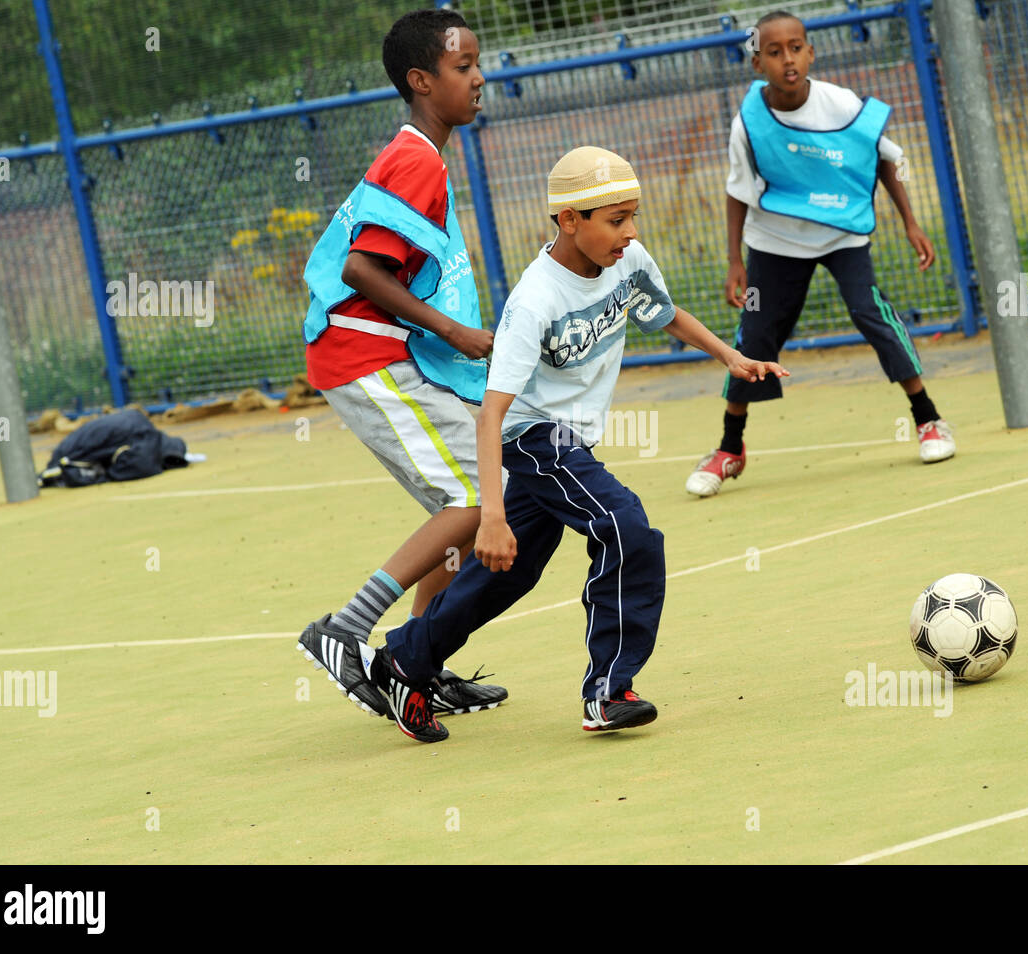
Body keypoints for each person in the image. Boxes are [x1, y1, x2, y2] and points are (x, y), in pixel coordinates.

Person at [369, 146, 788, 743]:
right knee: (626, 527)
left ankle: (404, 662)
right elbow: (492, 416)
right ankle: (608, 691)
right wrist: (490, 515)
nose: (630, 231)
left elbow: (664, 313)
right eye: (615, 220)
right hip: (536, 439)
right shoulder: (536, 299)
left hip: (572, 443)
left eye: (632, 216)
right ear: (570, 221)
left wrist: (731, 355)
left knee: (506, 575)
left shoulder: (627, 260)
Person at [295, 8, 506, 720]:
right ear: (421, 81)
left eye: (478, 64)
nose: (479, 79)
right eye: (462, 67)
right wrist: (454, 330)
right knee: (477, 497)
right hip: (362, 354)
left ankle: (417, 665)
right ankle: (347, 629)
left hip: (373, 352)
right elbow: (362, 268)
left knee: (462, 514)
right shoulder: (416, 157)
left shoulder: (422, 155)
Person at [685, 9, 954, 499]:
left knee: (869, 312)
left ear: (811, 53)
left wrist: (911, 222)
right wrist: (734, 261)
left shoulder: (841, 105)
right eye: (774, 51)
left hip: (841, 232)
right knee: (756, 333)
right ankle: (729, 449)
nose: (787, 58)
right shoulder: (747, 122)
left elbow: (888, 159)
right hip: (775, 241)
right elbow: (737, 192)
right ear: (757, 64)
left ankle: (929, 418)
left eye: (795, 47)